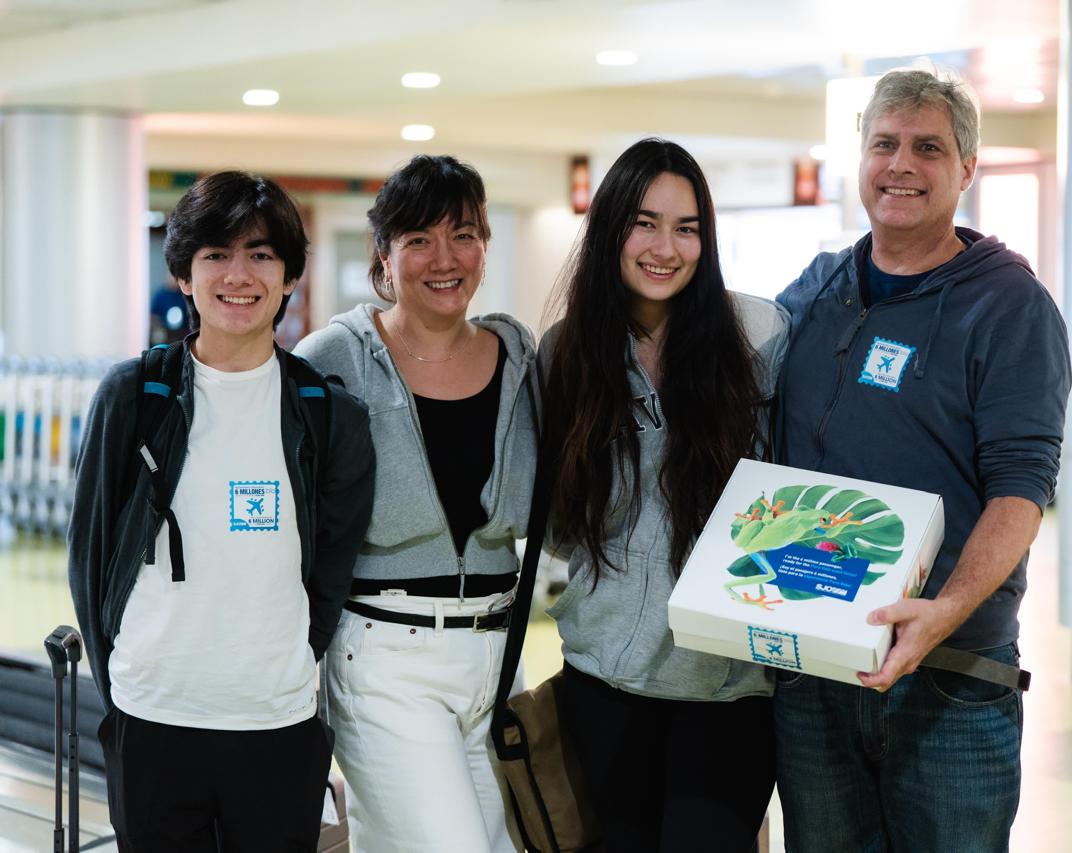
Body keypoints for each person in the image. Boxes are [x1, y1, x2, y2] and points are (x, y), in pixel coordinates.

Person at [772, 68, 1071, 852]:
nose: (901, 165)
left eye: (927, 148)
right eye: (885, 144)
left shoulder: (1008, 306)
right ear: (860, 157)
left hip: (950, 677)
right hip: (814, 666)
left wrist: (945, 612)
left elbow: (1020, 489)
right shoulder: (818, 288)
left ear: (966, 168)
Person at [67, 171, 376, 852]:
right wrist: (126, 671)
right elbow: (89, 558)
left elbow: (330, 574)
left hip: (275, 722)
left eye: (262, 254)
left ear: (290, 274)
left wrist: (287, 655)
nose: (239, 274)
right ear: (184, 274)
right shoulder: (133, 396)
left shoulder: (328, 416)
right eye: (216, 254)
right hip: (152, 715)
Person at [539, 137, 789, 852]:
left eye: (687, 228)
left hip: (727, 690)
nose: (666, 247)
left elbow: (785, 493)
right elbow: (559, 524)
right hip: (602, 681)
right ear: (611, 227)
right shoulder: (567, 353)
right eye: (645, 223)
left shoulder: (759, 335)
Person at [294, 154, 537, 853]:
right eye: (419, 240)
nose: (445, 258)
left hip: (499, 656)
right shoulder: (333, 359)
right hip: (386, 655)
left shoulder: (519, 357)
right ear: (384, 253)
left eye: (464, 234)